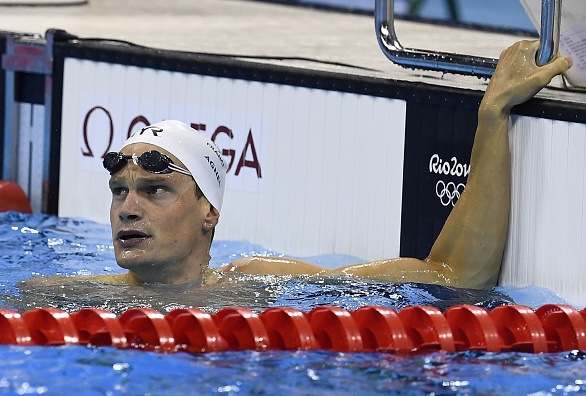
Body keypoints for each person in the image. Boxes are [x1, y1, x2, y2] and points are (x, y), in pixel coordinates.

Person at [38, 40, 573, 288]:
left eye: (155, 189)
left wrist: (493, 113)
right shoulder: (60, 298)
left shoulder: (263, 287)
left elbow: (456, 276)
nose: (127, 209)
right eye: (119, 191)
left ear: (209, 212)